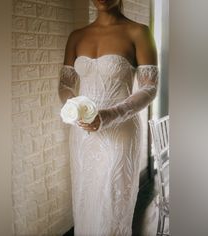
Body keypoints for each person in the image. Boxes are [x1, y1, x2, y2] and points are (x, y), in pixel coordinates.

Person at [58, 0, 159, 235]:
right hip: (83, 132)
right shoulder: (76, 36)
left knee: (113, 203)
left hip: (120, 129)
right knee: (86, 198)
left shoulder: (138, 32)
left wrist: (110, 114)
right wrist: (73, 107)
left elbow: (149, 88)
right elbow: (65, 84)